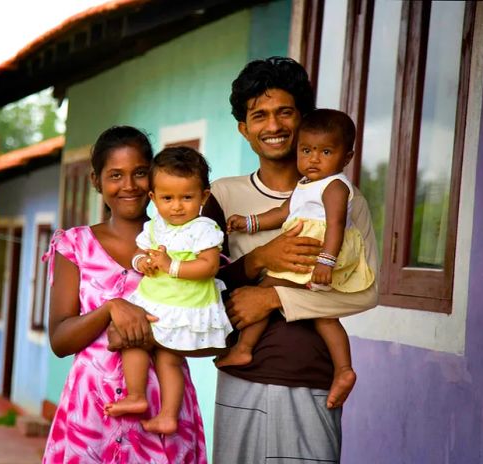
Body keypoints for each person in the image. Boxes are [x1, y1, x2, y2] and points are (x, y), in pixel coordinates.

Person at [202, 57, 378, 463]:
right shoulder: (222, 197)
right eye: (258, 115)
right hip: (240, 378)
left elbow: (366, 293)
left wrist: (274, 298)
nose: (274, 126)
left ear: (303, 119)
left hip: (312, 379)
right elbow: (198, 286)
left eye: (285, 112)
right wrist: (259, 258)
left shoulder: (346, 200)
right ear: (244, 129)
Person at [42, 126, 207, 464]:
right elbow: (60, 340)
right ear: (95, 181)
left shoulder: (184, 245)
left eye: (140, 173)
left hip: (164, 414)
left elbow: (214, 331)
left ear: (155, 177)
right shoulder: (74, 246)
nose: (129, 185)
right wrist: (111, 309)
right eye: (115, 175)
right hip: (92, 416)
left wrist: (158, 335)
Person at [217, 109, 375, 410]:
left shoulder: (336, 187)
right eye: (306, 151)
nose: (314, 159)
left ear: (347, 156)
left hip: (317, 257)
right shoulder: (305, 185)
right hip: (308, 257)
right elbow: (281, 215)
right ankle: (344, 369)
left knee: (264, 291)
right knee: (324, 317)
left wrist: (326, 261)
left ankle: (245, 348)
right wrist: (249, 223)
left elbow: (337, 224)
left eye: (325, 151)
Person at [105, 147, 233, 435]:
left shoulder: (204, 228)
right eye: (167, 198)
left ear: (204, 196)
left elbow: (209, 266)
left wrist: (170, 265)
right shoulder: (156, 227)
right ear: (153, 198)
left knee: (169, 358)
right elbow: (138, 253)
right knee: (133, 340)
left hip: (186, 305)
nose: (177, 206)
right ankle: (137, 395)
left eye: (187, 197)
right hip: (155, 301)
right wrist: (143, 262)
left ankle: (167, 415)